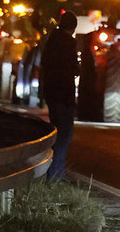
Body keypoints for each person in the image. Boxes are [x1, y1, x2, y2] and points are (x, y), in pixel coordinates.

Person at [41, 11, 78, 181]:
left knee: (57, 131)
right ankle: (56, 174)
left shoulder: (51, 41)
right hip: (64, 95)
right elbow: (73, 69)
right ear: (73, 27)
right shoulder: (68, 43)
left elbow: (45, 66)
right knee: (65, 135)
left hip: (52, 93)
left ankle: (53, 172)